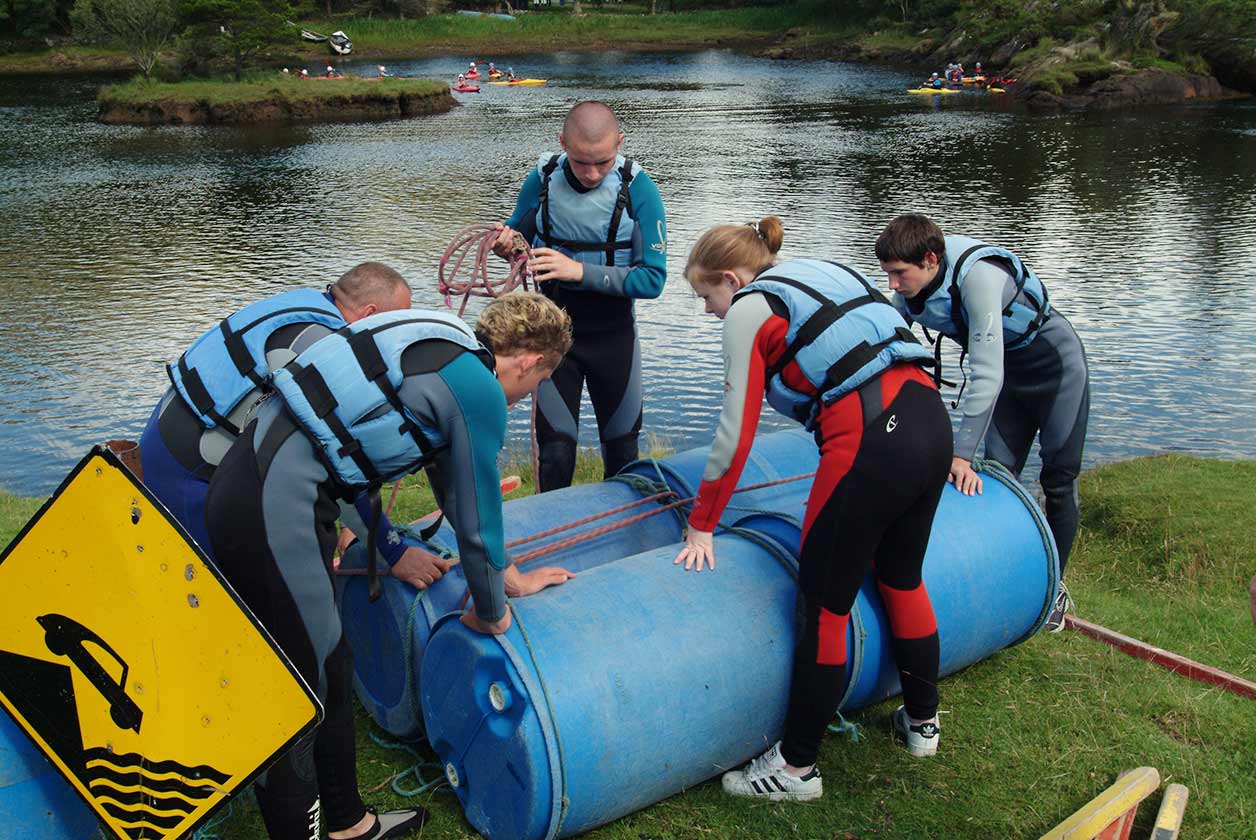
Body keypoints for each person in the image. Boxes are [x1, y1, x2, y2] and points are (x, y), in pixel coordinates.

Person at [204, 292, 575, 839]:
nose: (527, 396)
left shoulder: (442, 347)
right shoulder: (477, 390)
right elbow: (478, 520)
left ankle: (351, 826)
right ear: (529, 361)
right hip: (273, 506)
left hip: (258, 486)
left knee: (331, 661)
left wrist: (507, 577)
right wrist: (493, 615)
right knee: (303, 690)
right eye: (538, 383)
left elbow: (450, 492)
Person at [674, 217, 952, 801]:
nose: (709, 312)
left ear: (731, 278)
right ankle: (922, 724)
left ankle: (796, 768)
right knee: (901, 578)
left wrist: (702, 525)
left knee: (824, 605)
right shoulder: (825, 269)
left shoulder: (750, 308)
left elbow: (734, 432)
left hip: (870, 440)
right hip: (929, 422)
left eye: (706, 297)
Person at [875, 214, 1089, 632]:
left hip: (1055, 371)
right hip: (1008, 381)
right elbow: (887, 344)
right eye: (888, 275)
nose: (893, 286)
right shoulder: (911, 285)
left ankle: (1054, 588)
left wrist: (959, 453)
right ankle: (998, 578)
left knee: (1059, 481)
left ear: (931, 259)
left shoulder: (979, 279)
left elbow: (987, 375)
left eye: (899, 275)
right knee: (995, 477)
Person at [138, 263, 412, 559]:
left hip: (161, 438)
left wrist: (355, 524)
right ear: (370, 314)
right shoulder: (320, 351)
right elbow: (341, 458)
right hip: (188, 474)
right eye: (394, 322)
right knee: (236, 589)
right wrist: (393, 551)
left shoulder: (309, 305)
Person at [492, 100, 667, 491]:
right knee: (555, 451)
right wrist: (506, 246)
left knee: (622, 451)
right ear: (562, 144)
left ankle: (626, 540)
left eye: (603, 163)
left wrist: (579, 271)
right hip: (552, 339)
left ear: (620, 143)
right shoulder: (542, 178)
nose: (591, 174)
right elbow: (515, 234)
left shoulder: (639, 189)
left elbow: (653, 280)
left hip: (613, 336)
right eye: (580, 162)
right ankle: (551, 539)